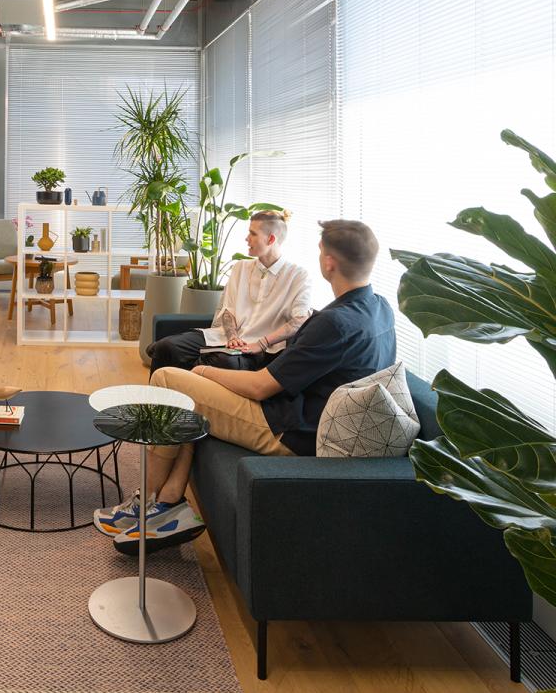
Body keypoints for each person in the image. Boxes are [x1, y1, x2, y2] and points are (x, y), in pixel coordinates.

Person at [95, 219, 396, 547]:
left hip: (289, 431)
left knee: (167, 379)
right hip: (302, 417)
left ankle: (146, 503)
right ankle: (167, 502)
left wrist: (204, 373)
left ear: (329, 263)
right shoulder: (379, 309)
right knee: (189, 401)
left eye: (321, 250)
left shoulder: (333, 323)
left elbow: (260, 387)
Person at [147, 210, 312, 375]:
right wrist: (232, 337)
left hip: (262, 350)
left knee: (222, 361)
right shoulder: (241, 268)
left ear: (270, 239)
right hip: (223, 338)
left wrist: (261, 343)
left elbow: (300, 320)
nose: (247, 239)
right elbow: (228, 311)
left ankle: (191, 384)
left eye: (252, 234)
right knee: (166, 347)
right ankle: (155, 401)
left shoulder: (297, 276)